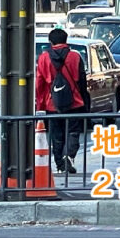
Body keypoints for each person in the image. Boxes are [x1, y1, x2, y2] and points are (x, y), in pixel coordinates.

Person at [35, 28, 92, 174]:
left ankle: (60, 165)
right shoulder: (75, 57)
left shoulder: (43, 58)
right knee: (73, 131)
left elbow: (39, 83)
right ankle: (69, 156)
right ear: (66, 40)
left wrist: (40, 104)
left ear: (51, 41)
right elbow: (82, 82)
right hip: (75, 101)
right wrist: (85, 101)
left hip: (52, 103)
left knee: (56, 135)